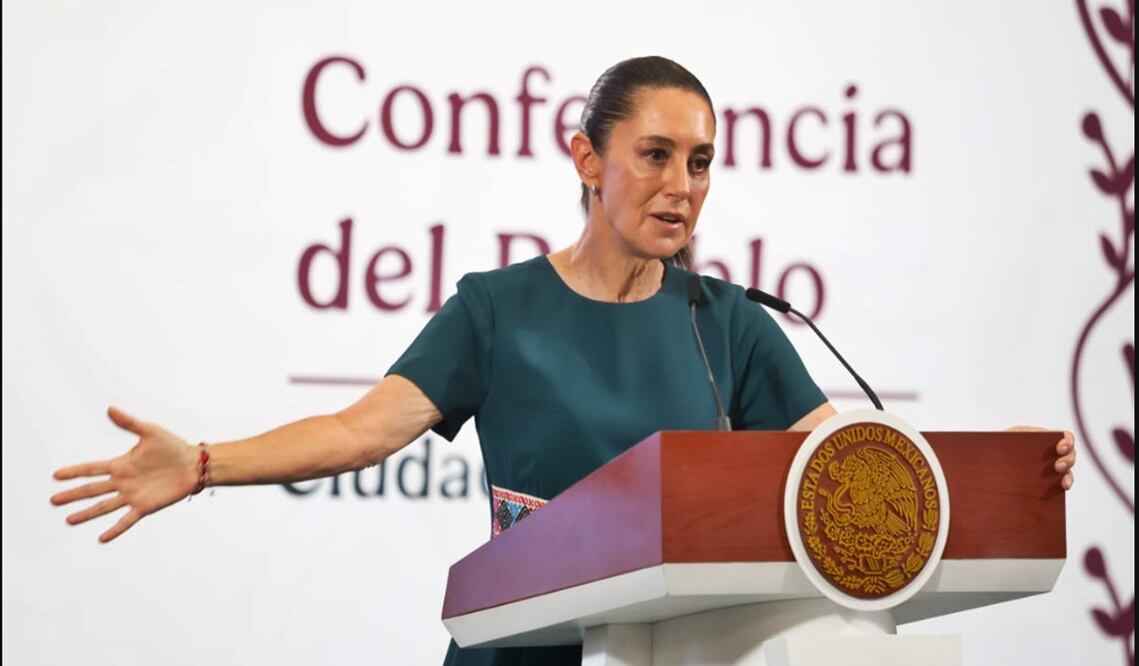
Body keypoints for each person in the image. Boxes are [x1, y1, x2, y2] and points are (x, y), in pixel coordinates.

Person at [51, 56, 1077, 666]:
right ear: (587, 161)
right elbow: (359, 430)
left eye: (703, 160)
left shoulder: (731, 323)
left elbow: (844, 467)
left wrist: (977, 473)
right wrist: (200, 464)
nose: (682, 184)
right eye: (655, 154)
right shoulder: (498, 310)